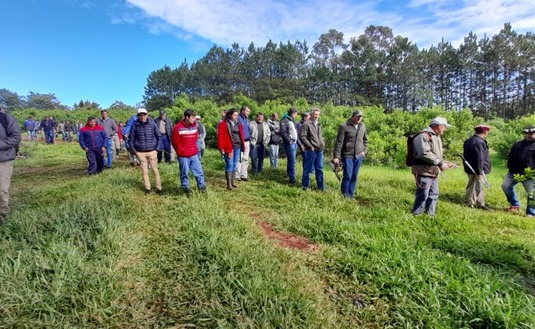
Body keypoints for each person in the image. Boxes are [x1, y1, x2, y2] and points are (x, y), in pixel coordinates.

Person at [410, 117, 456, 217]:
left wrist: (443, 162)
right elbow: (424, 153)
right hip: (423, 170)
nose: (445, 129)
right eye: (444, 126)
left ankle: (430, 215)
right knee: (423, 194)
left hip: (433, 171)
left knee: (434, 194)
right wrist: (440, 163)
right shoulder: (423, 136)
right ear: (439, 126)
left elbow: (434, 155)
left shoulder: (436, 136)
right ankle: (416, 214)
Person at [332, 109, 368, 198]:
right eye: (357, 117)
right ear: (353, 117)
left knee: (354, 176)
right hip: (347, 155)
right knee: (347, 176)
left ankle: (350, 195)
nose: (359, 118)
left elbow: (365, 140)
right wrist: (336, 156)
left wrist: (364, 151)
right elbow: (339, 142)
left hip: (359, 155)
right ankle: (344, 195)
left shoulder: (363, 126)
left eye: (361, 117)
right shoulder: (344, 126)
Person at [501, 126, 535, 217]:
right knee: (505, 186)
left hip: (529, 175)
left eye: (531, 134)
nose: (528, 135)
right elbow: (510, 156)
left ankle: (530, 213)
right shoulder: (518, 144)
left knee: (532, 194)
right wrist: (510, 166)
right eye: (526, 133)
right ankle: (514, 204)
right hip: (514, 172)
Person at [171, 110, 206, 197]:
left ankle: (201, 187)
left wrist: (193, 148)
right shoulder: (177, 127)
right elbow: (174, 142)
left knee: (199, 171)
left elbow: (195, 139)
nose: (194, 119)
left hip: (193, 154)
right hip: (183, 155)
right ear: (187, 117)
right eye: (192, 118)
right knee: (184, 172)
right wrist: (180, 150)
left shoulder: (194, 126)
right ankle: (185, 188)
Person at [128, 108, 162, 194]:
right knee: (144, 171)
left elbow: (159, 136)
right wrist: (135, 152)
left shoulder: (152, 124)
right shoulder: (135, 125)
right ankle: (148, 188)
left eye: (144, 115)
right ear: (138, 116)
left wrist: (157, 149)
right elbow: (130, 140)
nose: (142, 116)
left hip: (152, 151)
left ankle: (159, 188)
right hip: (140, 152)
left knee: (155, 170)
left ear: (147, 115)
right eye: (140, 115)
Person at [0, 106, 21, 225]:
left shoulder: (7, 119)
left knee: (2, 189)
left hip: (4, 159)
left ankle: (3, 214)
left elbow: (16, 137)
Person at [462, 124, 491, 210]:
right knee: (473, 186)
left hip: (471, 167)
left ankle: (480, 203)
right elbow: (479, 158)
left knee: (479, 186)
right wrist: (479, 172)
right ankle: (469, 204)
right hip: (476, 169)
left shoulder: (469, 140)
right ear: (485, 132)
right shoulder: (479, 142)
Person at [217, 108, 244, 190]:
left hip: (237, 147)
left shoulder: (237, 124)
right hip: (229, 147)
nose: (236, 117)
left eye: (237, 115)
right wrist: (221, 148)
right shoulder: (223, 124)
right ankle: (229, 185)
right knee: (230, 164)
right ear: (229, 115)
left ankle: (232, 182)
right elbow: (220, 137)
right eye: (234, 115)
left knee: (235, 164)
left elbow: (241, 135)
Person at [299, 108, 325, 191]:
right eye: (315, 114)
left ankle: (321, 187)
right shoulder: (306, 124)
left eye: (318, 114)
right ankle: (305, 186)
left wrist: (322, 144)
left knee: (319, 169)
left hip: (319, 150)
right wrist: (310, 146)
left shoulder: (318, 124)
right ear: (311, 115)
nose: (316, 116)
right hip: (311, 150)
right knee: (307, 169)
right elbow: (302, 136)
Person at [280, 107, 299, 184]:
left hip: (294, 143)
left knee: (291, 160)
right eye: (296, 114)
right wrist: (289, 141)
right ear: (293, 113)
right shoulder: (284, 120)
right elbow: (283, 132)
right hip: (289, 143)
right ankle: (292, 178)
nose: (296, 115)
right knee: (292, 161)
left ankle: (289, 174)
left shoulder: (292, 121)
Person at [236, 106, 251, 181]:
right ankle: (237, 175)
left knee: (245, 158)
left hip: (247, 141)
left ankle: (244, 175)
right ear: (242, 111)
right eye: (247, 111)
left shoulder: (247, 119)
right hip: (240, 141)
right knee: (239, 158)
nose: (249, 113)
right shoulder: (238, 118)